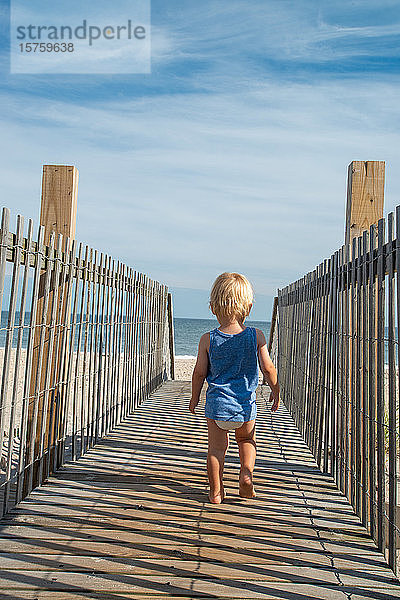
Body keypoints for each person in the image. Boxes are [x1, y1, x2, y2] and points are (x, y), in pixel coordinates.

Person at [189, 272, 281, 504]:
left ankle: (216, 492)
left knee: (216, 450)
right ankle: (245, 475)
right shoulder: (256, 336)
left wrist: (194, 398)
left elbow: (199, 373)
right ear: (249, 307)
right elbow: (268, 368)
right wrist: (276, 390)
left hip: (217, 406)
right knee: (246, 442)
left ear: (212, 307)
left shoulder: (207, 339)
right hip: (244, 406)